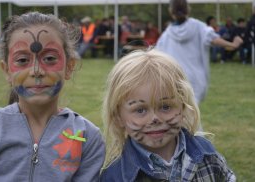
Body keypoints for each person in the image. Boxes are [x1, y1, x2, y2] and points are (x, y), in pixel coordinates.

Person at [0, 12, 105, 181]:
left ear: (69, 67)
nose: (36, 71)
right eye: (22, 60)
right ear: (6, 70)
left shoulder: (87, 138)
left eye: (49, 58)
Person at [100, 49, 236, 181]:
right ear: (118, 117)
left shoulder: (208, 156)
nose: (155, 119)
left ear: (183, 105)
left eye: (165, 107)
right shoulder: (115, 175)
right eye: (140, 110)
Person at [156, 0, 242, 105]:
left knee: (179, 113)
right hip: (196, 79)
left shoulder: (167, 34)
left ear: (171, 11)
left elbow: (157, 55)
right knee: (190, 115)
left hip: (175, 79)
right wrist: (232, 44)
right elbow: (213, 39)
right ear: (188, 9)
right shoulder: (197, 26)